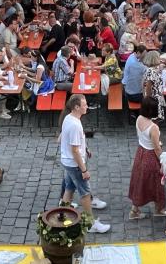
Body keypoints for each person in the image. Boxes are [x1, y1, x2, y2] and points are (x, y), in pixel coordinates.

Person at [59, 94, 111, 233]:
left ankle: (62, 217)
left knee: (69, 189)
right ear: (77, 107)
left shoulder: (69, 118)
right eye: (84, 104)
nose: (87, 106)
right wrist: (83, 170)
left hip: (67, 161)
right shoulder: (75, 124)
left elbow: (72, 142)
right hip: (74, 164)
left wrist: (85, 148)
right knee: (85, 194)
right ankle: (90, 223)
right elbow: (75, 150)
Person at [128, 98, 166, 219]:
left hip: (141, 153)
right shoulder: (153, 127)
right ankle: (159, 209)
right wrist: (164, 161)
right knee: (158, 183)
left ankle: (135, 210)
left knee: (140, 181)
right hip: (151, 156)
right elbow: (156, 148)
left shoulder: (139, 118)